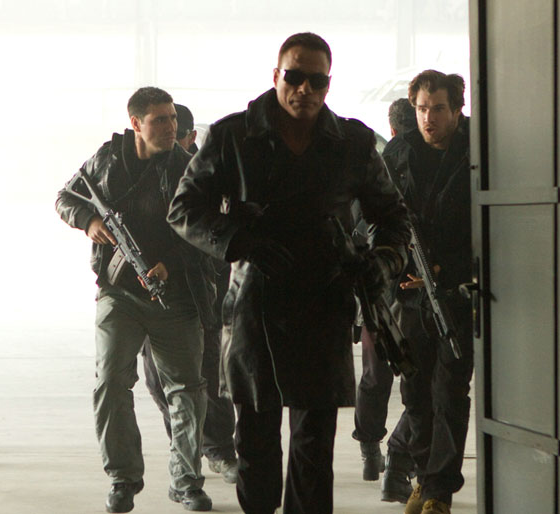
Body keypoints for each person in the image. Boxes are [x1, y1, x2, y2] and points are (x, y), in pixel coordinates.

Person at [167, 32, 411, 514]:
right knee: (256, 447)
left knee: (314, 452)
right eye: (295, 77)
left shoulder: (353, 143)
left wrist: (380, 264)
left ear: (328, 84)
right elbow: (184, 209)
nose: (305, 89)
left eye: (317, 81)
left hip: (325, 304)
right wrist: (241, 241)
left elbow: (394, 219)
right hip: (255, 304)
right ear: (276, 76)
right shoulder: (233, 136)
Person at [55, 87, 214, 513]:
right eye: (160, 120)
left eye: (173, 119)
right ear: (136, 124)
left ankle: (186, 481)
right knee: (110, 382)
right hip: (119, 293)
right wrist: (89, 220)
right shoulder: (108, 159)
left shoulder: (188, 168)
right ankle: (123, 478)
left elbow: (206, 232)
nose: (170, 127)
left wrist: (170, 264)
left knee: (187, 391)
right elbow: (65, 198)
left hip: (175, 296)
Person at [383, 70, 473, 514]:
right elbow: (374, 214)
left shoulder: (477, 150)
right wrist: (398, 262)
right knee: (415, 394)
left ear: (457, 109)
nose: (429, 118)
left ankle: (438, 492)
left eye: (438, 108)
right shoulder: (398, 154)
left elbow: (491, 222)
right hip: (409, 292)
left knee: (449, 394)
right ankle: (422, 477)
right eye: (421, 109)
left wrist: (445, 269)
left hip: (456, 292)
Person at [140, 103, 240, 484]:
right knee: (157, 379)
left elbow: (214, 236)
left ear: (190, 137)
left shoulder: (206, 173)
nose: (168, 135)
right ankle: (184, 444)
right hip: (156, 292)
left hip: (200, 291)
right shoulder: (146, 169)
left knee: (208, 377)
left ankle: (220, 449)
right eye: (161, 124)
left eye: (175, 128)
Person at [351, 96, 419, 491]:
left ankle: (370, 451)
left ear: (391, 127)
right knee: (417, 374)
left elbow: (357, 226)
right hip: (413, 283)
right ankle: (402, 453)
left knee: (374, 373)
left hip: (377, 284)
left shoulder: (377, 163)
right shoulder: (425, 161)